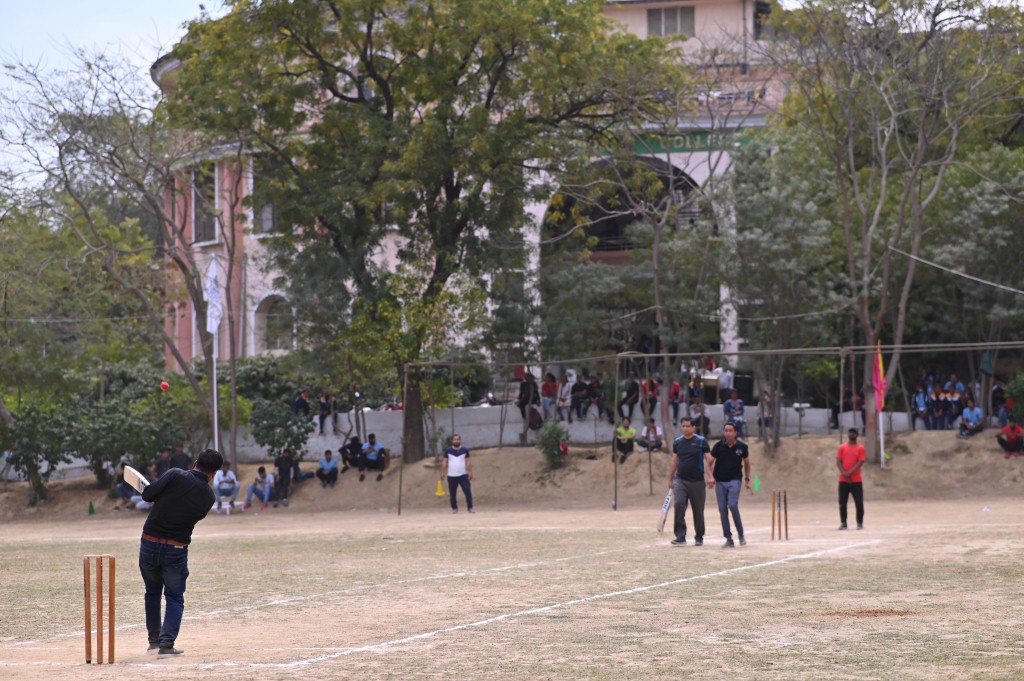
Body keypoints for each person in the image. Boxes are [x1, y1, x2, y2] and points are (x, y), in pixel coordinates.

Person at [138, 447, 223, 657]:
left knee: (152, 592)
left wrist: (160, 498)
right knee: (174, 597)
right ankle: (166, 645)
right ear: (214, 474)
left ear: (194, 463)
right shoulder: (209, 497)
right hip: (176, 548)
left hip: (149, 543)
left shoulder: (175, 474)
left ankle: (154, 642)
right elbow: (194, 514)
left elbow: (147, 494)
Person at [668, 418, 712, 546]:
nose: (685, 428)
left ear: (693, 427)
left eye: (688, 426)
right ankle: (680, 537)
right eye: (683, 426)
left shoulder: (701, 441)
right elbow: (675, 462)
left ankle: (699, 537)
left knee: (698, 510)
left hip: (697, 481)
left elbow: (709, 460)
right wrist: (670, 479)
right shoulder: (677, 442)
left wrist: (711, 476)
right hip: (680, 480)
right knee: (679, 505)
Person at [709, 423, 751, 548]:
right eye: (726, 430)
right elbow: (708, 463)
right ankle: (728, 539)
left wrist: (747, 479)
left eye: (730, 430)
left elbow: (747, 463)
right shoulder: (718, 446)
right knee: (722, 509)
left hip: (735, 480)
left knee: (732, 504)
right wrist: (710, 477)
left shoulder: (742, 447)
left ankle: (741, 534)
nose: (728, 433)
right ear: (724, 432)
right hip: (720, 482)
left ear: (735, 433)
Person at [837, 428, 866, 530]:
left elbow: (860, 462)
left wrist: (849, 473)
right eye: (851, 432)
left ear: (857, 435)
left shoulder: (860, 448)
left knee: (859, 502)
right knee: (842, 502)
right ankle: (843, 522)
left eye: (854, 433)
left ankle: (859, 523)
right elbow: (838, 462)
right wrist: (844, 474)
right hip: (843, 480)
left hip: (856, 480)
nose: (852, 434)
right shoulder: (842, 447)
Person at [440, 433, 474, 514]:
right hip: (451, 476)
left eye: (457, 439)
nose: (456, 441)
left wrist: (470, 472)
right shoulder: (448, 451)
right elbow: (444, 462)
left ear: (460, 440)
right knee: (452, 493)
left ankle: (470, 507)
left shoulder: (464, 450)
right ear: (452, 441)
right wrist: (442, 472)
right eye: (454, 439)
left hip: (463, 475)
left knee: (467, 491)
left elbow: (468, 462)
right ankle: (454, 508)